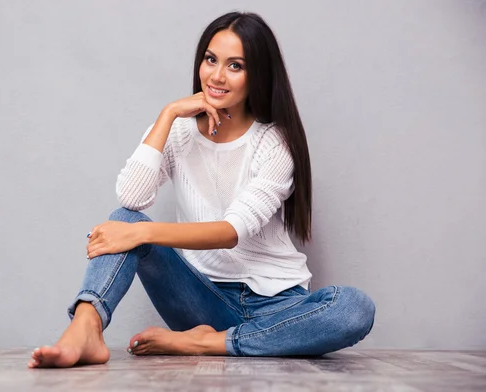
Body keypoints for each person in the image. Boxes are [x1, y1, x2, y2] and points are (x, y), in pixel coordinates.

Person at [28, 11, 376, 368]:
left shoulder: (275, 143)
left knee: (354, 309)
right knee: (124, 219)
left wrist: (142, 233)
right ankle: (85, 328)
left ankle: (211, 343)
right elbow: (132, 198)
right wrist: (167, 115)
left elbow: (229, 232)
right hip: (201, 302)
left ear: (258, 74)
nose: (217, 75)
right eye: (211, 60)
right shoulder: (179, 132)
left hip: (278, 307)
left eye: (235, 65)